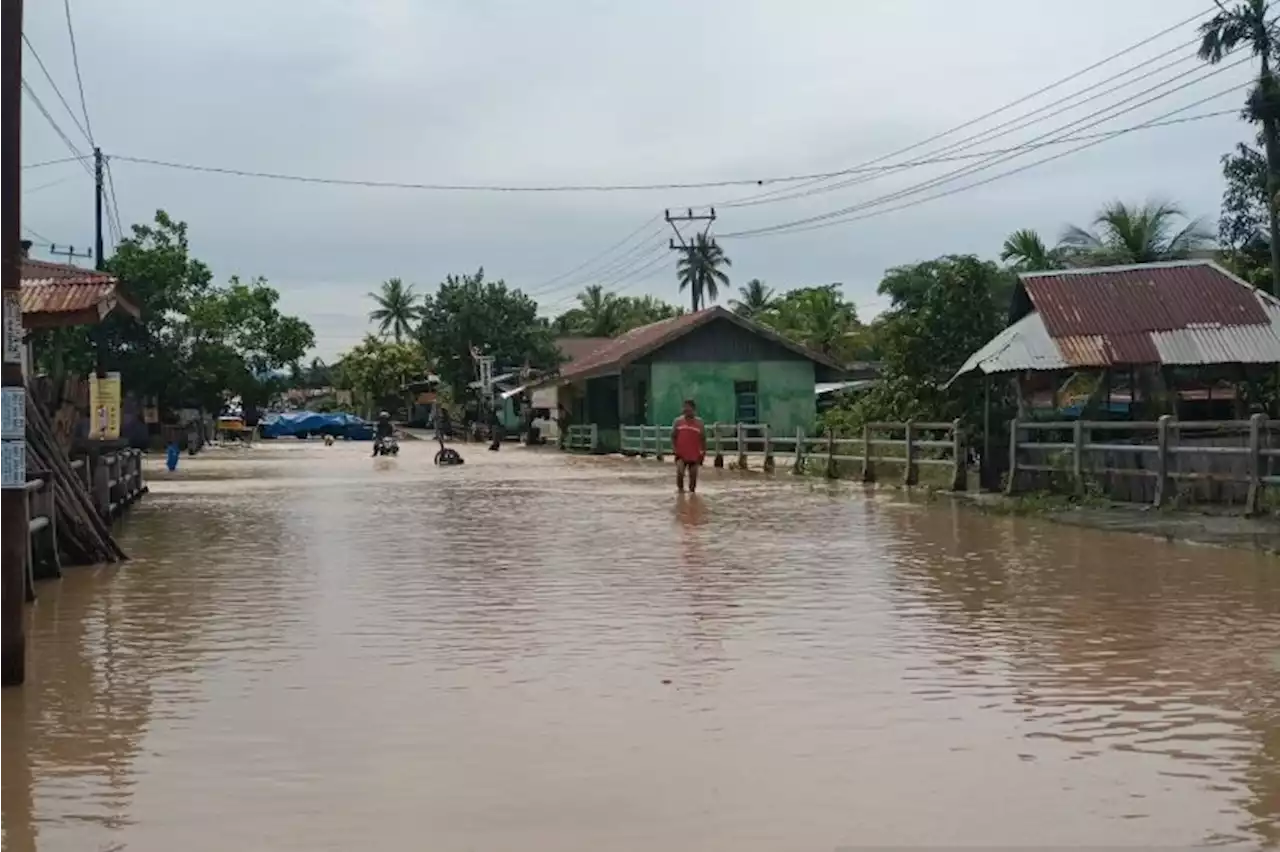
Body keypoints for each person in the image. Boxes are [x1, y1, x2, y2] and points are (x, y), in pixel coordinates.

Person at [671, 398, 706, 493]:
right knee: (680, 472)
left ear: (694, 410)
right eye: (684, 409)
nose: (686, 412)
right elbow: (673, 436)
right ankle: (680, 492)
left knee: (693, 476)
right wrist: (674, 449)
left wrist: (703, 453)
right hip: (681, 454)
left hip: (694, 455)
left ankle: (692, 495)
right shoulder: (677, 422)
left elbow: (703, 439)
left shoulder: (699, 423)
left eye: (688, 410)